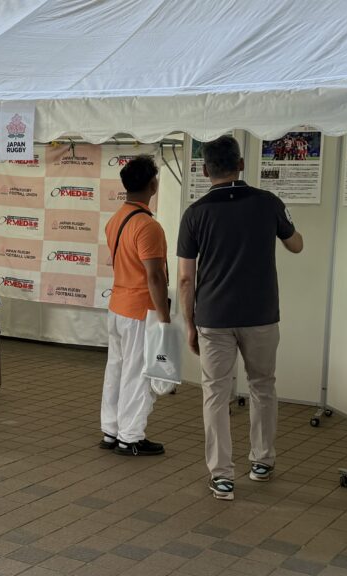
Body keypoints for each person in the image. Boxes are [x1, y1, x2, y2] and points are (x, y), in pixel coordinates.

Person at [177, 135, 303, 500]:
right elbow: (296, 244)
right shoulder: (268, 202)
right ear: (242, 164)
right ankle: (262, 462)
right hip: (261, 314)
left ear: (204, 170)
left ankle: (222, 476)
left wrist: (189, 325)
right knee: (263, 385)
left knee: (216, 393)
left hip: (213, 317)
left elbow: (185, 278)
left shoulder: (195, 213)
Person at [99, 155, 169, 456]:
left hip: (117, 305)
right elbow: (155, 276)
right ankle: (130, 437)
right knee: (137, 373)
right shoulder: (148, 226)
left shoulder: (116, 219)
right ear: (153, 185)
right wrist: (165, 318)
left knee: (116, 369)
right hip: (140, 309)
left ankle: (111, 431)